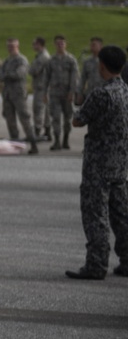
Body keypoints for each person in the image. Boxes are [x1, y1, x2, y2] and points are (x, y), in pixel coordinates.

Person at [65, 45, 128, 280]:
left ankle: (96, 264)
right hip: (120, 163)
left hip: (99, 164)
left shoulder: (102, 93)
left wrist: (76, 104)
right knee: (121, 214)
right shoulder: (125, 91)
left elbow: (78, 121)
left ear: (101, 65)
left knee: (95, 214)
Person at [0, 38, 39, 154]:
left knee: (25, 119)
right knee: (10, 120)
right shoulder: (7, 61)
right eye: (9, 46)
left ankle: (33, 143)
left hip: (18, 94)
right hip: (7, 94)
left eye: (13, 46)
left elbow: (19, 74)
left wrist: (6, 75)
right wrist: (7, 75)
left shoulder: (22, 60)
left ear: (18, 46)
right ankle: (15, 144)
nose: (10, 48)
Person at [48, 35, 79, 151]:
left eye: (62, 43)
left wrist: (72, 92)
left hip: (67, 94)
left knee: (67, 118)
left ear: (65, 45)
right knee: (55, 117)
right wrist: (44, 93)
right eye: (58, 43)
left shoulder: (71, 60)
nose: (60, 45)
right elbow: (47, 77)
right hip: (55, 94)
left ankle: (65, 139)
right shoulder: (51, 60)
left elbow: (75, 77)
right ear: (55, 45)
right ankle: (56, 141)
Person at [29, 36, 52, 141]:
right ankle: (47, 131)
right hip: (44, 86)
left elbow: (33, 70)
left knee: (38, 109)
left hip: (41, 87)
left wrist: (30, 68)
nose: (33, 45)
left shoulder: (42, 57)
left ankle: (37, 132)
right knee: (46, 110)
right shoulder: (42, 56)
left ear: (39, 44)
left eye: (34, 43)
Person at [79, 37, 105, 104]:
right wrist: (80, 93)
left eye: (94, 45)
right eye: (91, 45)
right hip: (90, 94)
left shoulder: (106, 61)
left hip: (103, 94)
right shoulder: (87, 62)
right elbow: (83, 78)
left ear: (100, 46)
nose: (92, 46)